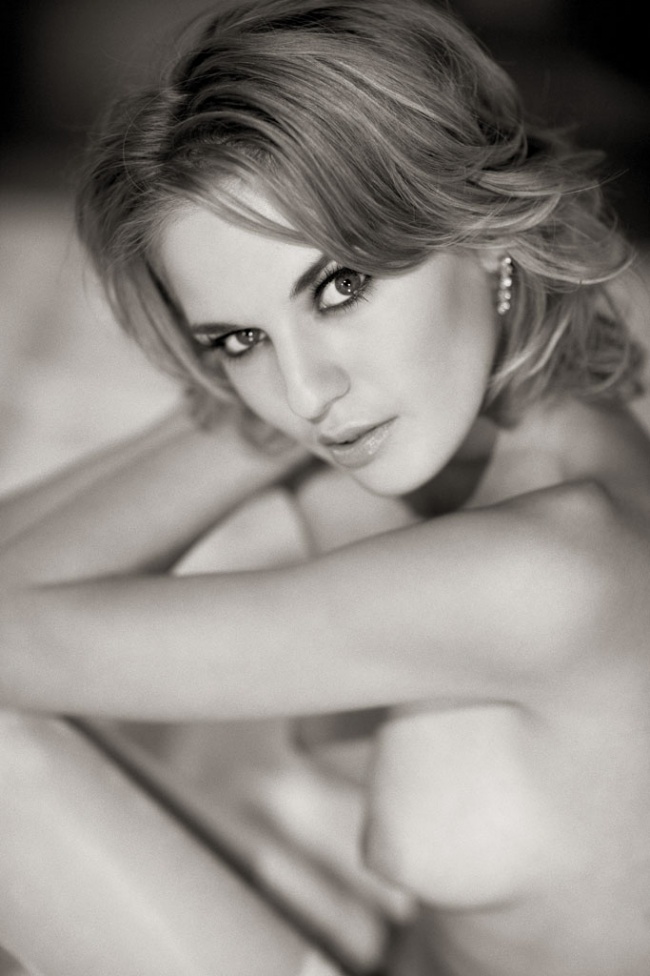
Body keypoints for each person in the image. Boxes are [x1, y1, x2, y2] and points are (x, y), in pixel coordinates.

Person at [1, 0, 650, 973]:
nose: (307, 393)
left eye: (340, 286)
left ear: (480, 228)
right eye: (237, 337)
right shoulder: (455, 452)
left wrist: (249, 409)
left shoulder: (549, 570)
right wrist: (242, 402)